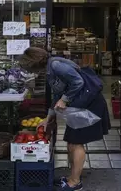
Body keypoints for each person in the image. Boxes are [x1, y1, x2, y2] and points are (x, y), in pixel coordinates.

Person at [19, 47, 110, 191]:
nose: (32, 72)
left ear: (34, 63)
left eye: (30, 68)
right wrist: (48, 118)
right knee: (71, 142)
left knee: (76, 143)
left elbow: (78, 82)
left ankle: (75, 182)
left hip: (90, 105)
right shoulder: (51, 69)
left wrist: (65, 100)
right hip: (80, 106)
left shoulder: (55, 66)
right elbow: (57, 95)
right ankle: (71, 178)